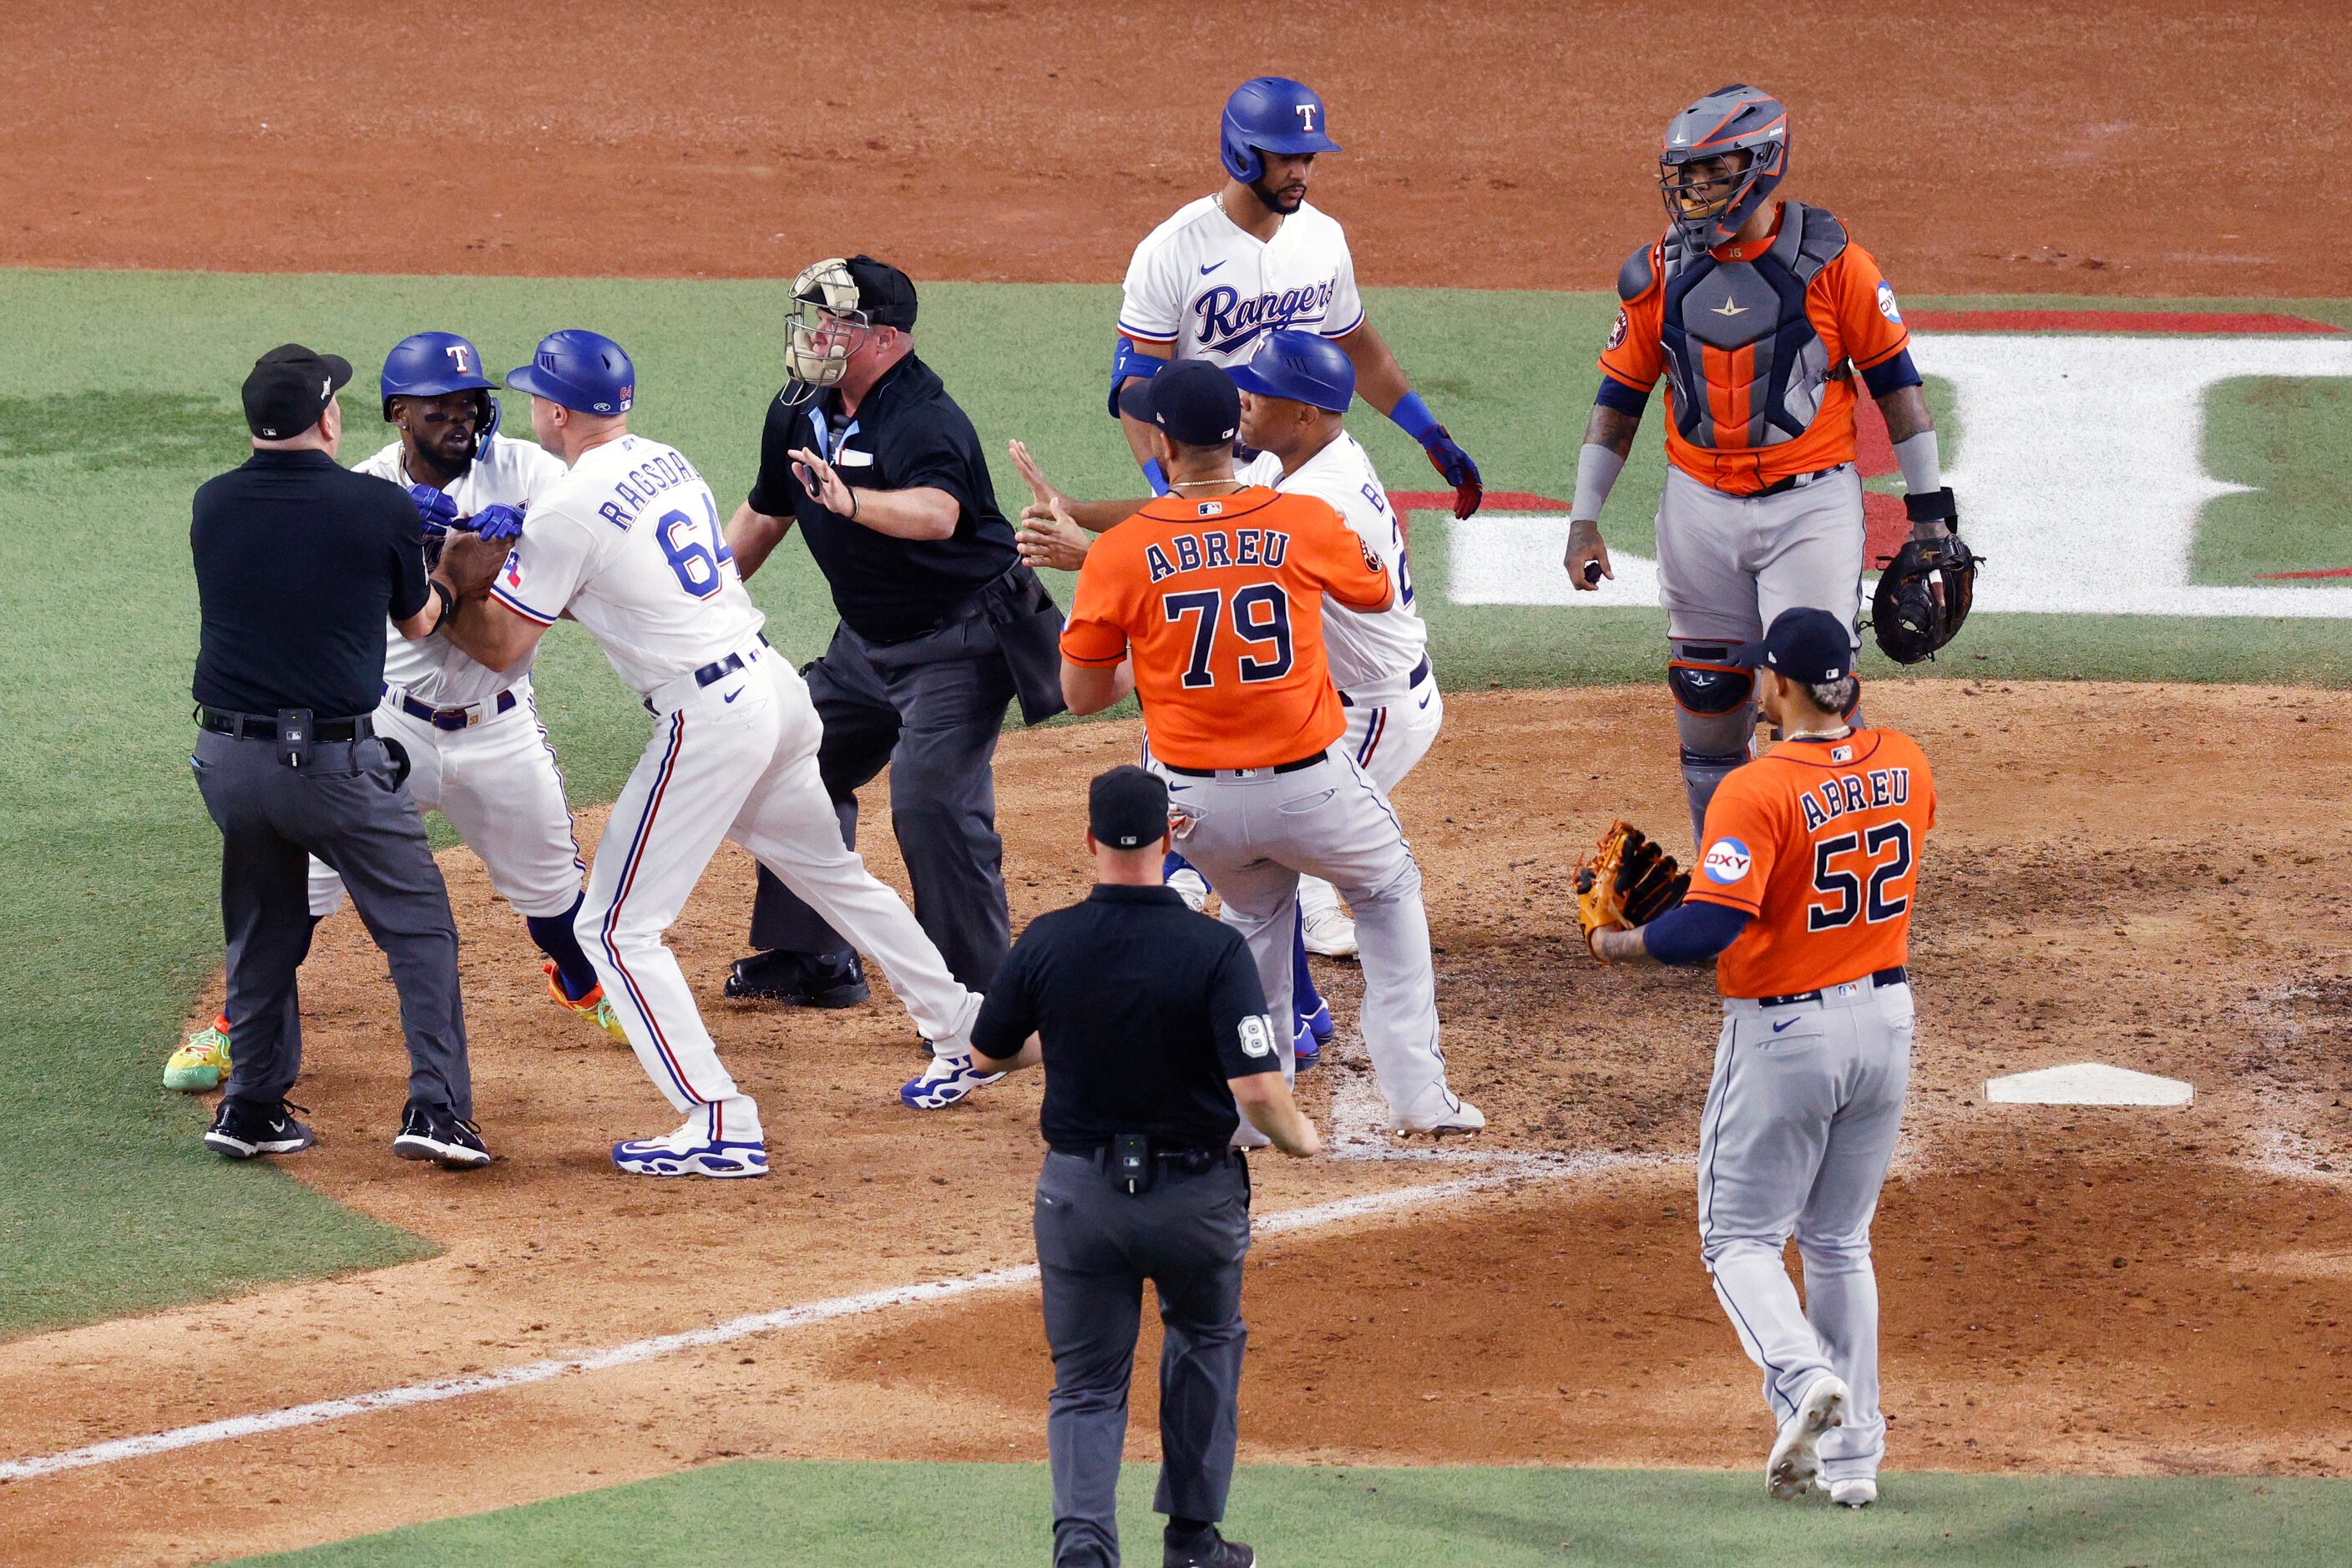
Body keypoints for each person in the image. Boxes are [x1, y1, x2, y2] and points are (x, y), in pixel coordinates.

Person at [432, 329, 990, 1178]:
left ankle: (718, 1117)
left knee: (614, 930)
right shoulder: (664, 460)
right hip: (771, 688)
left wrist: (438, 587)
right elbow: (615, 588)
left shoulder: (565, 509)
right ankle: (961, 1028)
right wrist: (513, 567)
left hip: (710, 716)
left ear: (553, 411)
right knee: (834, 873)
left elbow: (503, 645)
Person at [164, 331, 616, 1095]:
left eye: (470, 401)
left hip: (496, 723)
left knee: (552, 895)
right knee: (301, 892)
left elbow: (579, 578)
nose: (461, 416)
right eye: (438, 405)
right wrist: (430, 554)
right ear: (398, 414)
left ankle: (586, 986)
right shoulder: (366, 489)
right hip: (385, 728)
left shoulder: (531, 472)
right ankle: (243, 1028)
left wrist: (509, 561)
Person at [1054, 359, 1481, 1136]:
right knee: (1387, 892)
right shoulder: (1301, 519)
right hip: (1308, 791)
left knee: (1254, 912)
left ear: (1166, 446)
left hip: (1194, 805)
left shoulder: (1118, 553)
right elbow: (1377, 591)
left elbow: (1080, 696)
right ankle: (1419, 1095)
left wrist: (1155, 636)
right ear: (1231, 435)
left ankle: (1257, 1108)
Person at [1581, 606, 1935, 1507]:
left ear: (1775, 684)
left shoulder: (1757, 785)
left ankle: (1800, 1377)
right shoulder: (1906, 760)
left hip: (1786, 1036)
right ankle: (1855, 1467)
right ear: (1846, 682)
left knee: (1737, 1238)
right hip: (1886, 1023)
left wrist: (1619, 945)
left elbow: (1710, 926)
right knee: (1838, 1240)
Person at [1560, 85, 1960, 852]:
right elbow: (1618, 400)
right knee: (1707, 697)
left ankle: (1827, 874)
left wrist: (1929, 511)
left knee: (1817, 697)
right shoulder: (1657, 273)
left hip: (1808, 509)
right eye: (1686, 176)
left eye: (1712, 172)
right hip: (1697, 508)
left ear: (1764, 162)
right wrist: (1584, 519)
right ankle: (1730, 878)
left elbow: (1896, 387)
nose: (1693, 192)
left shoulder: (1834, 263)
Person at [720, 255, 1065, 1110]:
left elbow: (939, 515)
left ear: (885, 339)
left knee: (931, 803)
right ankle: (813, 957)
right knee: (786, 763)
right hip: (865, 647)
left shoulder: (925, 416)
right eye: (810, 318)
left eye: (832, 322)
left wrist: (851, 503)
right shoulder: (797, 407)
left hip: (962, 639)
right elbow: (766, 514)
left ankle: (982, 1014)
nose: (813, 336)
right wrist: (699, 601)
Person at [970, 765, 1318, 1568]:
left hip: (1079, 1199)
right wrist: (1302, 1140)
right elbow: (1260, 1092)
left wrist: (1072, 1031)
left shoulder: (1048, 940)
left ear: (1089, 840)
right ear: (1169, 840)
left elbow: (986, 1054)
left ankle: (1085, 1552)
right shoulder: (1212, 947)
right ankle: (1194, 1546)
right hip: (1193, 1202)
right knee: (1202, 1345)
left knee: (1087, 1384)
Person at [189, 343, 488, 1169]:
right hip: (332, 767)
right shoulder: (375, 507)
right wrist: (451, 567)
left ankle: (249, 1109)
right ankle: (437, 1112)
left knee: (262, 928)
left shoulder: (211, 504)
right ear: (328, 417)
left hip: (230, 763)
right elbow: (422, 620)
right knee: (419, 928)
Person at [1110, 78, 1482, 522]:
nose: (1301, 174)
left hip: (1301, 468)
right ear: (1242, 154)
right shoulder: (1171, 251)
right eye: (1285, 158)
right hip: (1210, 474)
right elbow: (1139, 388)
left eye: (1307, 159)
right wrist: (1170, 491)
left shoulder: (1324, 238)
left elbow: (1355, 346)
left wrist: (1428, 433)